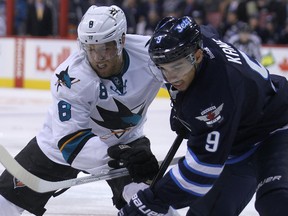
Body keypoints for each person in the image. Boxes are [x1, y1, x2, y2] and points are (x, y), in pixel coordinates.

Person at [0, 5, 163, 215]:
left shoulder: (151, 54)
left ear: (121, 40)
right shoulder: (70, 78)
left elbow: (187, 74)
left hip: (125, 141)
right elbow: (70, 144)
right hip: (59, 147)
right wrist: (124, 156)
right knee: (3, 204)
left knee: (150, 203)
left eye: (105, 48)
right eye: (90, 48)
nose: (97, 58)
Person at [118, 16, 288, 216]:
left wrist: (152, 200)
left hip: (278, 130)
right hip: (237, 145)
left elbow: (202, 171)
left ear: (197, 56)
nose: (170, 77)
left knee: (277, 201)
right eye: (163, 68)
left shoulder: (214, 96)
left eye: (177, 67)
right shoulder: (199, 41)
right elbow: (208, 30)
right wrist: (180, 110)